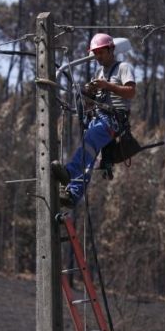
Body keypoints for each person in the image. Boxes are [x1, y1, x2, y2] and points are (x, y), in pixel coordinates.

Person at [52, 33, 136, 208]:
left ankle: (68, 172)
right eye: (95, 53)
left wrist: (106, 85)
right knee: (88, 155)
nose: (98, 57)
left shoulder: (123, 67)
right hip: (99, 116)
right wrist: (90, 93)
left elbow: (130, 92)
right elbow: (97, 98)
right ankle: (73, 194)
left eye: (101, 52)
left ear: (111, 49)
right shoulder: (99, 72)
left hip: (114, 119)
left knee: (89, 142)